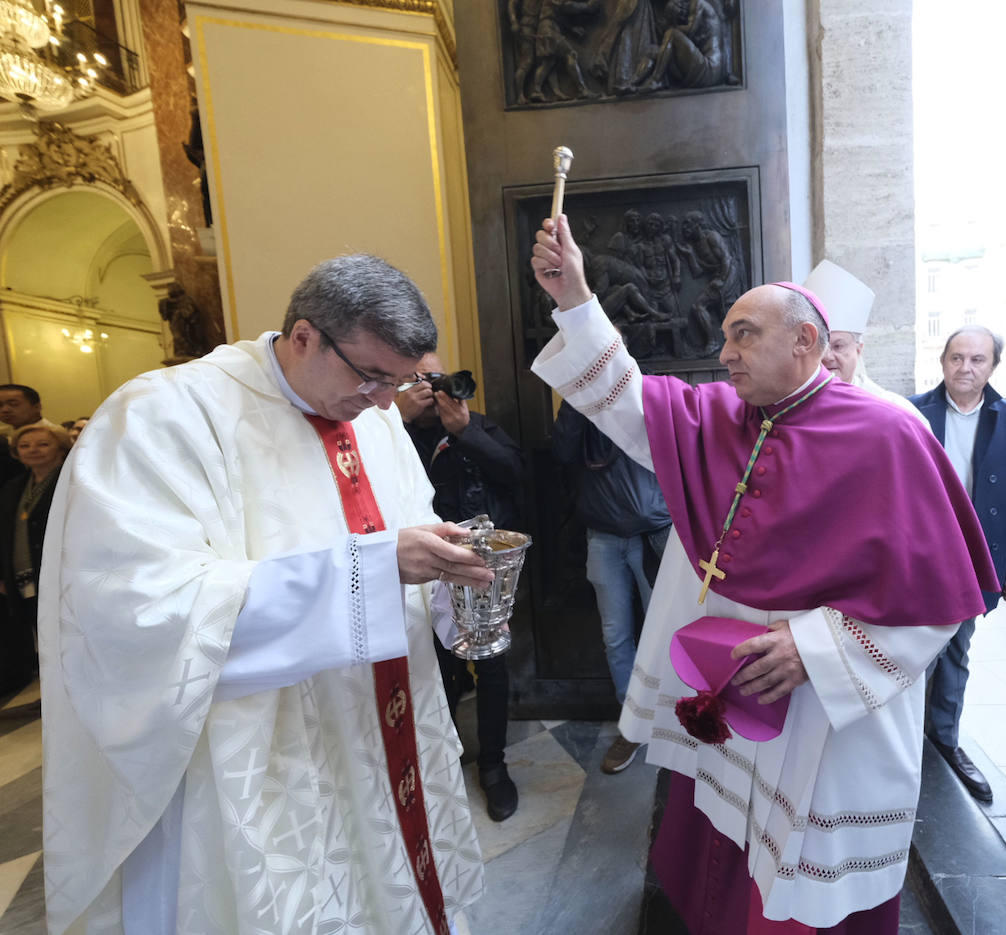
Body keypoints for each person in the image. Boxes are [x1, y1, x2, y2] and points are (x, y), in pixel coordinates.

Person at [529, 215, 997, 932]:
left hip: (829, 717)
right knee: (733, 860)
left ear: (807, 341)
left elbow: (939, 601)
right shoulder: (723, 416)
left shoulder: (889, 432)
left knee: (801, 882)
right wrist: (575, 299)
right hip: (741, 698)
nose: (724, 355)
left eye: (742, 333)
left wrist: (814, 649)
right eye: (725, 335)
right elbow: (626, 398)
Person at [39, 255, 489, 934]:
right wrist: (369, 568)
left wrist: (453, 585)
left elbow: (406, 553)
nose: (385, 403)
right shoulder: (166, 416)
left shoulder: (375, 418)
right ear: (305, 335)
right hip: (262, 756)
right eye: (372, 376)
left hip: (381, 728)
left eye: (401, 382)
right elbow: (136, 610)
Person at [911, 324, 1006, 804]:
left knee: (956, 650)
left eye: (977, 360)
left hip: (976, 559)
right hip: (920, 558)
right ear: (942, 361)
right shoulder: (911, 413)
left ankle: (943, 739)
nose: (965, 368)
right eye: (956, 358)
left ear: (992, 366)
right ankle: (904, 744)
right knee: (913, 652)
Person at [397, 355, 526, 822]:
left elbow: (516, 472)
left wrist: (465, 432)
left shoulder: (478, 426)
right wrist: (399, 421)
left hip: (479, 570)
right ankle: (443, 767)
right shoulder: (389, 434)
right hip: (417, 574)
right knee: (436, 670)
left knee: (490, 669)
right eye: (418, 380)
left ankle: (493, 767)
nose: (431, 389)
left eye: (436, 378)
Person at [552, 402, 671, 774]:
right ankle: (632, 723)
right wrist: (576, 400)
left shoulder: (641, 390)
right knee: (616, 635)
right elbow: (562, 451)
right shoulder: (577, 401)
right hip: (602, 535)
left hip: (655, 533)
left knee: (667, 637)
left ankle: (676, 723)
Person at [805, 259, 929, 427]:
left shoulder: (897, 412)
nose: (827, 356)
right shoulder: (792, 409)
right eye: (820, 345)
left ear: (858, 350)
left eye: (838, 346)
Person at [0, 422, 71, 694]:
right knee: (39, 635)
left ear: (61, 448)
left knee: (64, 633)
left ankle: (69, 691)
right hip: (24, 573)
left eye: (43, 444)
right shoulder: (14, 487)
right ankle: (53, 691)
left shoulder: (71, 481)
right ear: (16, 452)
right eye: (25, 446)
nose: (34, 451)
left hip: (60, 573)